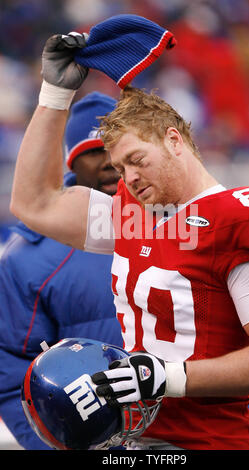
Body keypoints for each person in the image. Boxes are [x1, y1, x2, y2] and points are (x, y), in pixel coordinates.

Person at [9, 32, 249, 451]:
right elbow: (34, 203)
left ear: (175, 141)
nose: (129, 179)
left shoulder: (239, 217)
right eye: (121, 168)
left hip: (213, 440)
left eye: (137, 160)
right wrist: (55, 93)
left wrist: (167, 377)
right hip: (133, 440)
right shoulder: (134, 212)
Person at [0, 91, 122, 450]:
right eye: (93, 151)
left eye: (115, 148)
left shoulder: (186, 229)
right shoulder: (29, 257)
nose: (108, 162)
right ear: (72, 163)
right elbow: (12, 375)